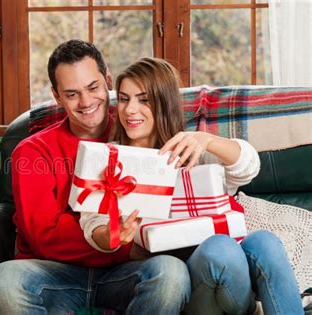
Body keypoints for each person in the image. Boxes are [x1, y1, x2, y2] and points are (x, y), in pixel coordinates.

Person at [81, 57, 304, 315]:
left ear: (164, 103)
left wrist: (205, 139)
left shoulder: (190, 148)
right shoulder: (111, 160)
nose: (130, 110)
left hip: (234, 278)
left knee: (265, 241)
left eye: (144, 100)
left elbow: (248, 166)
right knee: (219, 247)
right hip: (185, 283)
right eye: (123, 98)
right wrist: (115, 234)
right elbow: (92, 225)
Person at [0, 40, 190, 314]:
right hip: (54, 274)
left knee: (171, 273)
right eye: (72, 94)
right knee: (4, 280)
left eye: (93, 88)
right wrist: (128, 248)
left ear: (107, 81)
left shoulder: (136, 129)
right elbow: (45, 236)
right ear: (56, 96)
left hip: (124, 274)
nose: (86, 102)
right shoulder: (33, 152)